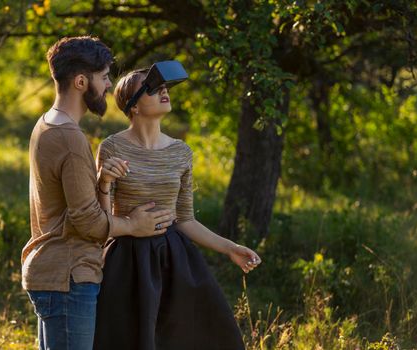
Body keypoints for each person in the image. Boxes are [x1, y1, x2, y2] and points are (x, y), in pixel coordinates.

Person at [21, 38, 175, 350]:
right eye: (103, 77)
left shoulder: (46, 124)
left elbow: (70, 205)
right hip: (70, 275)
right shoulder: (70, 138)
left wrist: (102, 182)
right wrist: (133, 226)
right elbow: (87, 222)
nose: (108, 85)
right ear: (81, 81)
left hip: (52, 272)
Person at [93, 67, 262, 350]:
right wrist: (104, 183)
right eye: (152, 87)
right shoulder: (111, 147)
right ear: (132, 106)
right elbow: (102, 220)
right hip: (127, 262)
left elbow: (185, 219)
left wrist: (230, 248)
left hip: (175, 259)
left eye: (164, 86)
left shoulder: (181, 152)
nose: (164, 91)